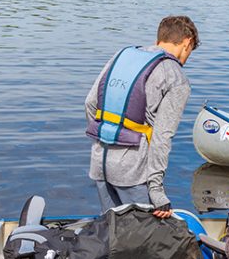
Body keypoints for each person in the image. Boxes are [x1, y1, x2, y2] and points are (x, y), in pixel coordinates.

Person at [85, 15, 199, 217]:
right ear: (187, 42)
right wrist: (156, 191)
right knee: (142, 239)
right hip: (132, 172)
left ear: (160, 39)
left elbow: (90, 103)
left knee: (113, 233)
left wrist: (105, 140)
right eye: (191, 50)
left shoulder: (123, 55)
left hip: (99, 162)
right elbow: (162, 136)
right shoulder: (175, 77)